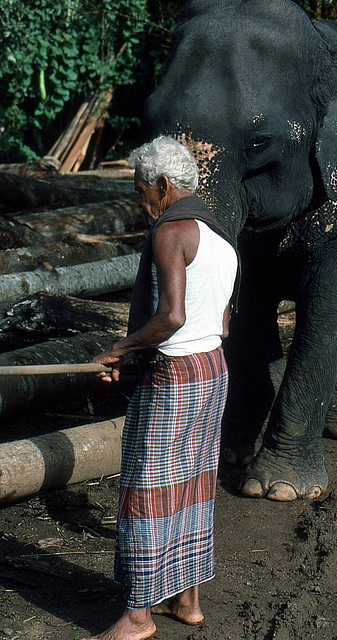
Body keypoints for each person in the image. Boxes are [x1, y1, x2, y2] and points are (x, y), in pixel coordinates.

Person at [84, 136, 238, 640]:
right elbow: (222, 322)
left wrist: (121, 351)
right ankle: (186, 602)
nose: (140, 202)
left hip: (173, 375)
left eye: (140, 191)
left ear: (164, 186)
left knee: (147, 490)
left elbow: (171, 316)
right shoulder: (219, 236)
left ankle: (137, 617)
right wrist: (129, 358)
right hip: (211, 370)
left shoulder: (171, 231)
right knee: (194, 483)